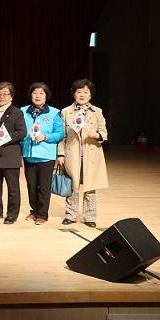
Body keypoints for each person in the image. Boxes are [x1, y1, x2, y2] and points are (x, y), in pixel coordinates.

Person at [58, 79, 108, 228]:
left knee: (90, 187)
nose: (82, 95)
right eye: (79, 91)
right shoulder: (66, 112)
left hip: (91, 155)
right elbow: (62, 136)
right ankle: (70, 215)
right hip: (72, 155)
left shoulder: (97, 111)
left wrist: (96, 135)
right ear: (74, 94)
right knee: (72, 186)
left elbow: (104, 133)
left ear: (90, 95)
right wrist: (60, 154)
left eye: (86, 92)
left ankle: (90, 217)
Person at [0, 82, 27, 225]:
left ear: (11, 97)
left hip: (9, 156)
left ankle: (12, 214)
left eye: (6, 94)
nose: (2, 97)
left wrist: (1, 140)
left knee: (13, 188)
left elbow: (21, 132)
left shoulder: (16, 112)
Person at [21, 82, 64, 225]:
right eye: (35, 93)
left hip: (46, 156)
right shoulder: (23, 111)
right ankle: (34, 211)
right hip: (28, 155)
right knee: (31, 186)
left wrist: (45, 137)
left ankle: (42, 215)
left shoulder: (54, 112)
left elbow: (60, 134)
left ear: (46, 96)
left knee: (44, 187)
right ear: (30, 95)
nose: (38, 96)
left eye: (41, 93)